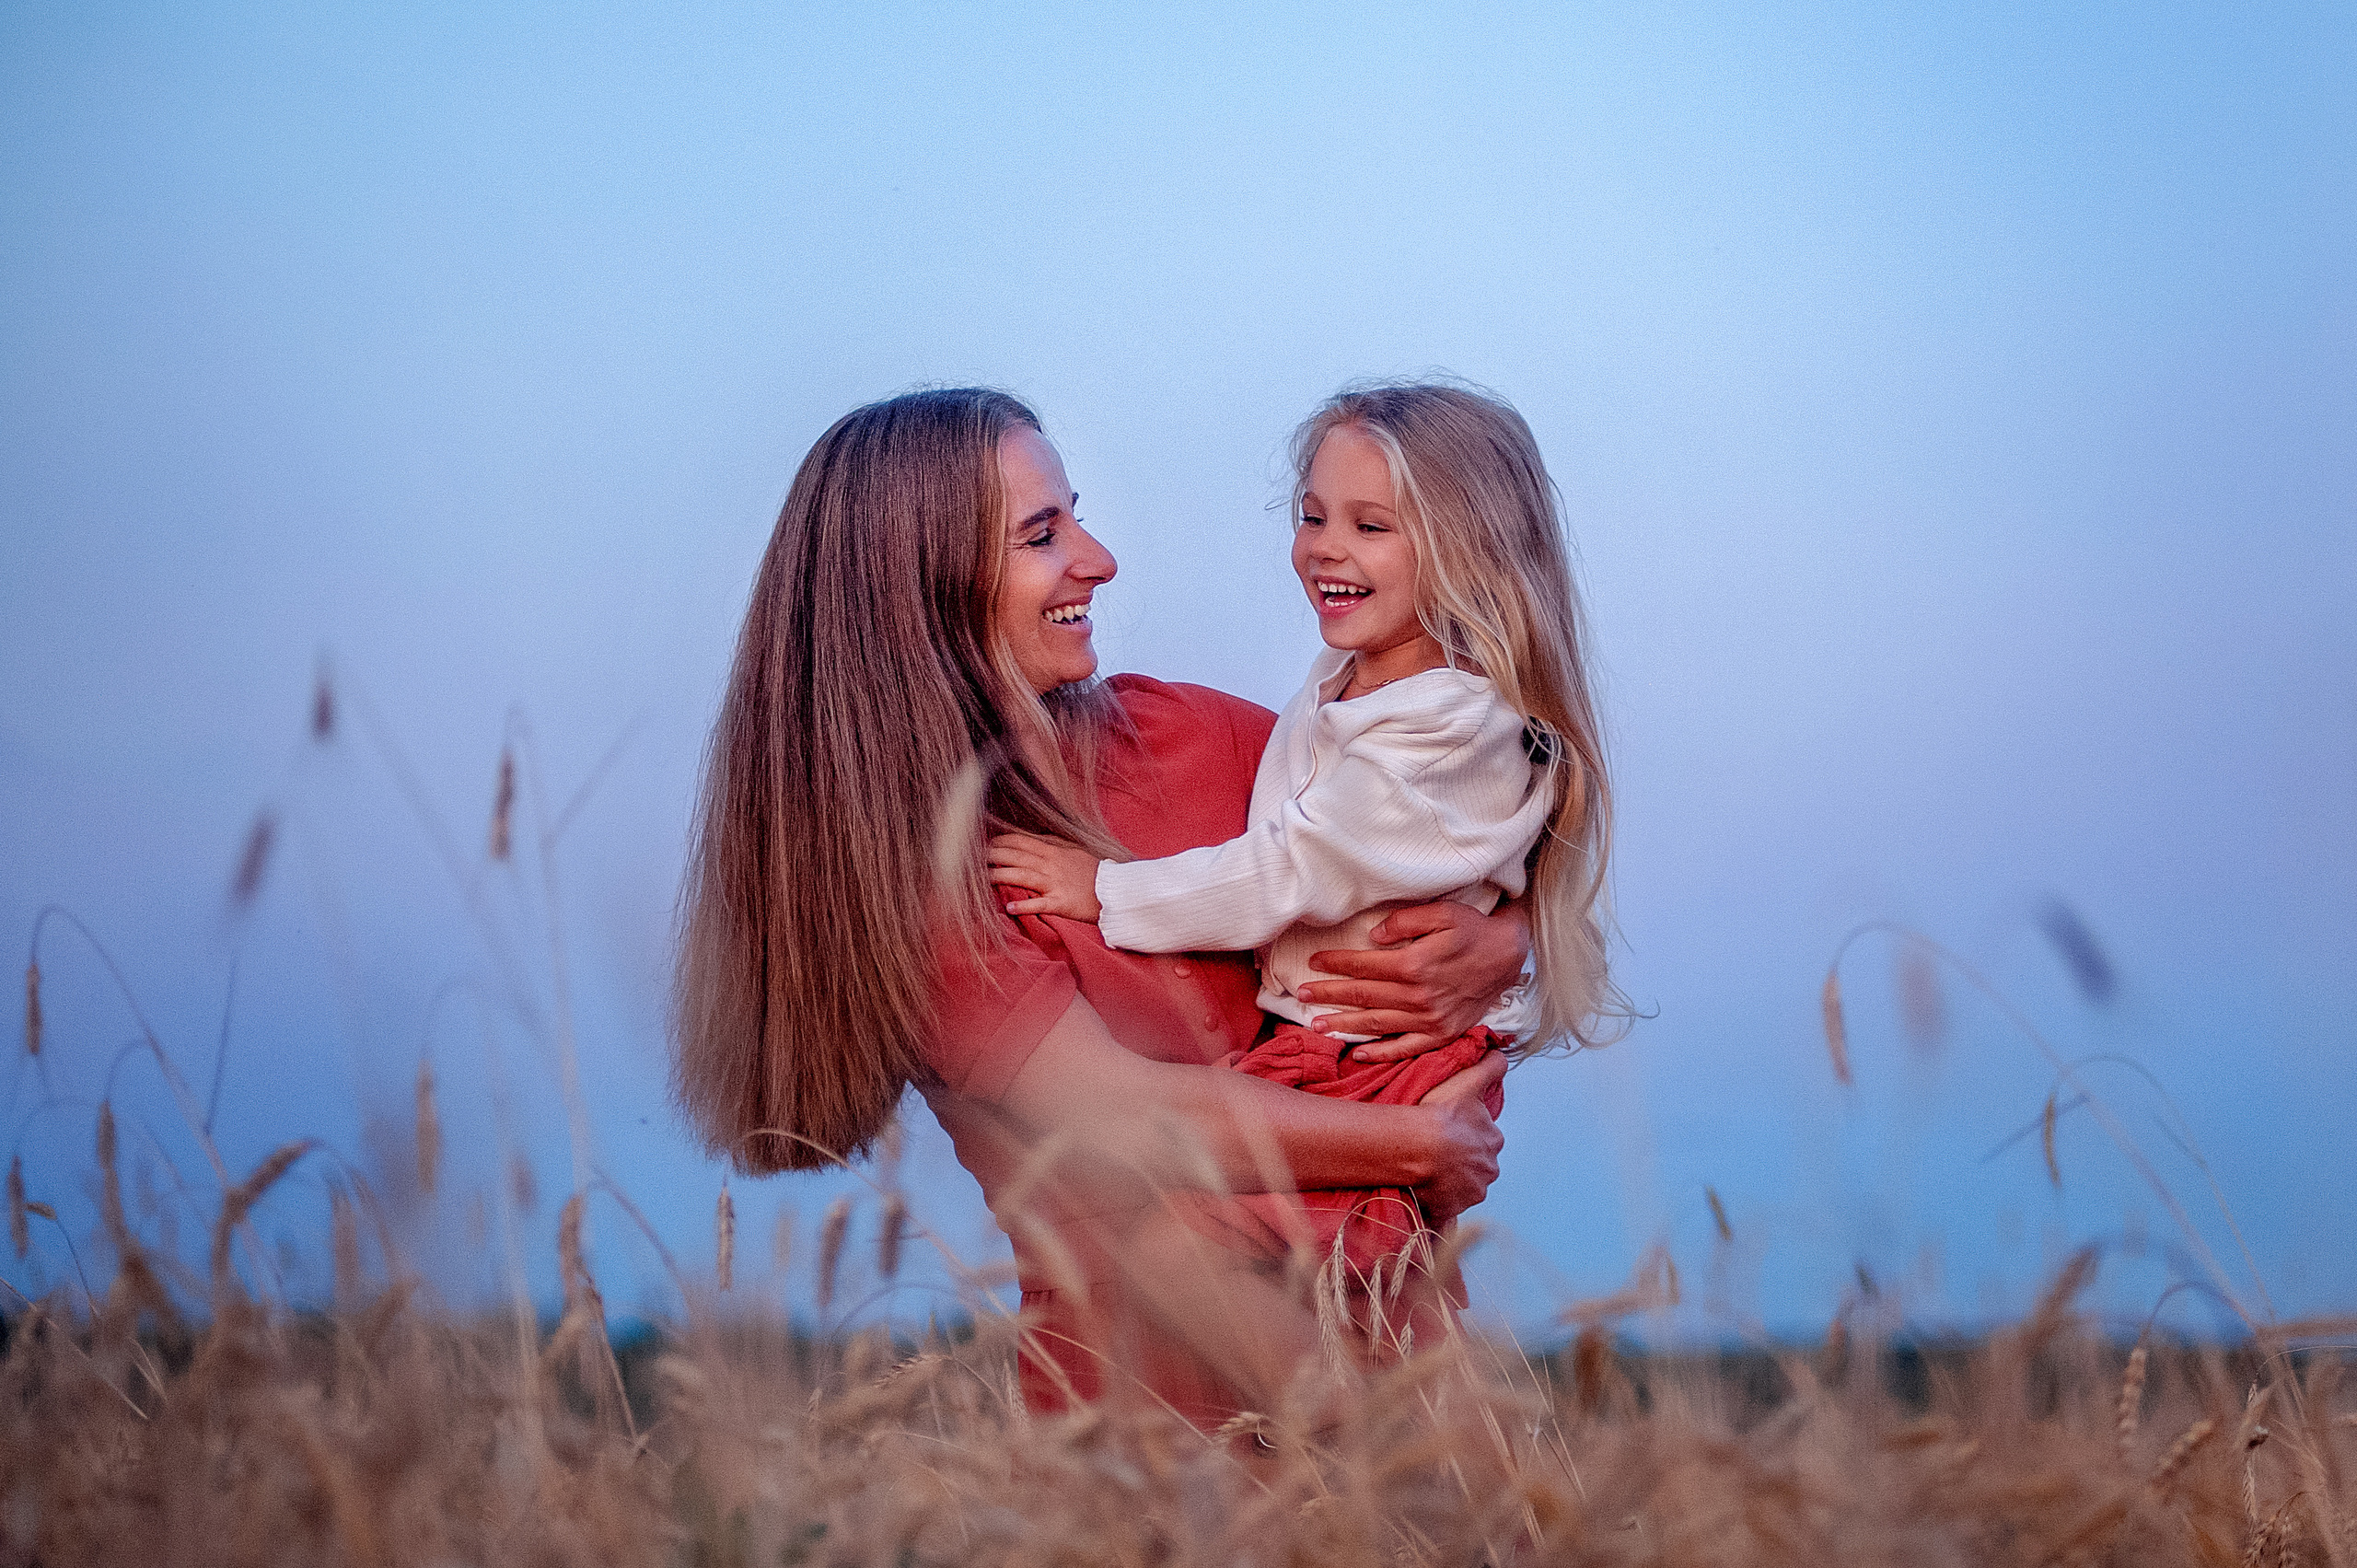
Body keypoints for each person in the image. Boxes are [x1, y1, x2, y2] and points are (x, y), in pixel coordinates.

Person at [670, 387, 1532, 1426]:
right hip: (1149, 1436)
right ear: (918, 589)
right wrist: (1415, 1148)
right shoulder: (918, 886)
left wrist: (1497, 939)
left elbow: (1445, 817)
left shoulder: (1178, 730)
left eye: (1072, 514)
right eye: (1043, 534)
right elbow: (1131, 1122)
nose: (1098, 557)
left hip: (1389, 1346)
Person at [986, 382, 1620, 1335]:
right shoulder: (1347, 691)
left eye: (1372, 525)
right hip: (1326, 1056)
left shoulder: (1446, 725)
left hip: (1373, 1057)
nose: (1326, 546)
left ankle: (1399, 1462)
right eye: (1312, 515)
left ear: (1471, 552)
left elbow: (1289, 866)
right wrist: (1505, 933)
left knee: (1309, 1284)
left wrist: (1101, 891)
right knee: (1263, 1263)